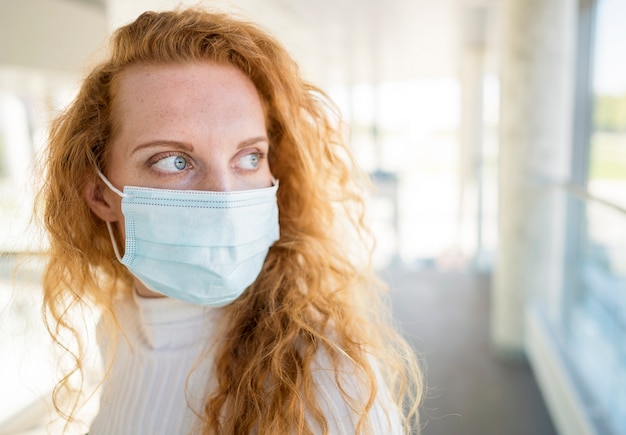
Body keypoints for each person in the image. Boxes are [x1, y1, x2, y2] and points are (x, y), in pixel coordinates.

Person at [38, 7, 422, 434]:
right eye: (173, 160)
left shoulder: (325, 371)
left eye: (249, 157)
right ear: (99, 194)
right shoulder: (117, 330)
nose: (224, 197)